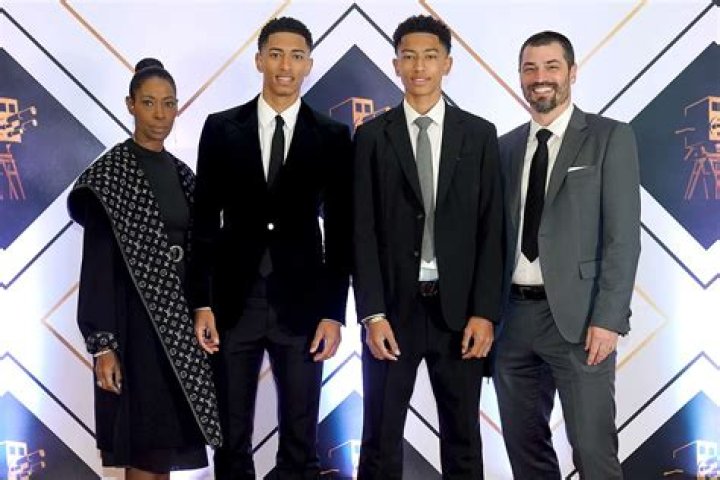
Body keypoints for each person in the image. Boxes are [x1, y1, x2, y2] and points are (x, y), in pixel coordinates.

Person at [188, 17, 353, 480]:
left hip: (303, 307)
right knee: (230, 437)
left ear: (309, 65)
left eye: (296, 56)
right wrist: (201, 302)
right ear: (259, 60)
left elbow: (342, 231)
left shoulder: (333, 135)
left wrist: (333, 313)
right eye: (276, 54)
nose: (285, 65)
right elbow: (204, 221)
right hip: (233, 303)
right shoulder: (221, 128)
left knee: (301, 440)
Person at [353, 15, 503, 479]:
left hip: (458, 315)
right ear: (395, 64)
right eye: (409, 56)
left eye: (430, 56)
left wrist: (484, 313)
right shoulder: (372, 136)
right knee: (379, 438)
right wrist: (372, 314)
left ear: (447, 64)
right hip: (392, 313)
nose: (419, 67)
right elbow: (362, 232)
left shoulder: (479, 135)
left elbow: (492, 230)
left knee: (463, 439)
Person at [493, 31, 640, 479]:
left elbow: (622, 238)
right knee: (525, 453)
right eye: (530, 68)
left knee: (594, 452)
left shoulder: (609, 137)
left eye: (551, 66)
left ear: (572, 73)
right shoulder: (504, 147)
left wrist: (608, 318)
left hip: (581, 322)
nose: (540, 77)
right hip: (512, 321)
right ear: (520, 77)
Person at [67, 58, 222, 480]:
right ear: (130, 105)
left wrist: (204, 307)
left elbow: (202, 252)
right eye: (149, 102)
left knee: (165, 448)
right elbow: (97, 265)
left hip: (178, 332)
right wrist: (103, 345)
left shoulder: (184, 176)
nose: (159, 114)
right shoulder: (110, 177)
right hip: (133, 327)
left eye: (168, 103)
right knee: (142, 449)